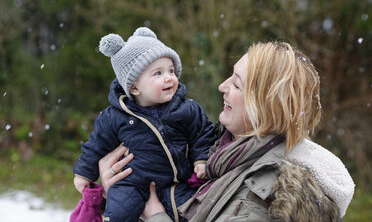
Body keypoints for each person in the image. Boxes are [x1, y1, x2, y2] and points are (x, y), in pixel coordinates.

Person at [99, 41, 355, 222]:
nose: (222, 86)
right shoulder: (220, 156)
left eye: (236, 83)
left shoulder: (262, 195)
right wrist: (124, 193)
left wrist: (153, 214)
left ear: (263, 105)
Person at [72, 27, 217, 222]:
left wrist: (201, 160)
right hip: (131, 182)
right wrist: (84, 173)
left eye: (171, 71)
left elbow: (202, 133)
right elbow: (96, 145)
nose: (169, 77)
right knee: (119, 213)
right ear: (134, 87)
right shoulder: (115, 116)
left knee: (187, 212)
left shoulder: (186, 109)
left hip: (174, 182)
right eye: (158, 73)